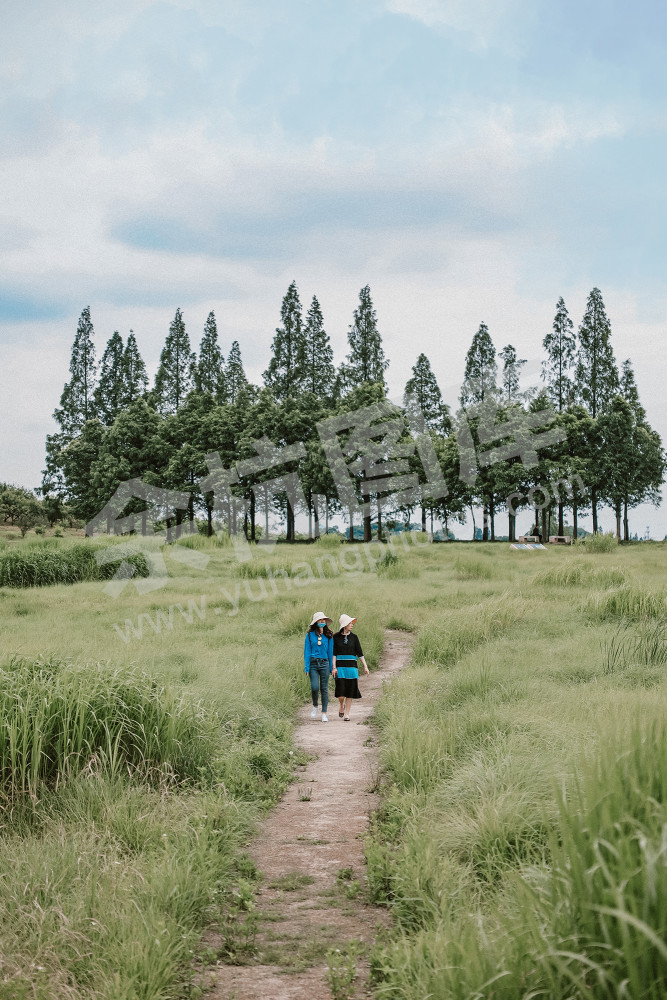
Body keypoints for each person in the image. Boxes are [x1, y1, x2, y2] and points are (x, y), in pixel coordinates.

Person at [333, 613, 369, 721]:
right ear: (344, 625)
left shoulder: (354, 637)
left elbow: (360, 653)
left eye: (352, 623)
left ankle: (347, 714)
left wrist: (365, 666)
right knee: (340, 693)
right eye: (349, 623)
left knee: (350, 691)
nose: (352, 625)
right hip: (340, 667)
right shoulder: (336, 637)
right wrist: (334, 667)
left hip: (352, 668)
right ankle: (341, 705)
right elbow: (333, 654)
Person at [304, 611, 334, 722]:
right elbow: (307, 651)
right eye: (320, 620)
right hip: (313, 664)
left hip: (325, 663)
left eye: (323, 620)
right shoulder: (309, 635)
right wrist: (307, 666)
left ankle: (324, 713)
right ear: (316, 622)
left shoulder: (329, 635)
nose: (322, 621)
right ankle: (315, 706)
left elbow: (330, 652)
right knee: (315, 687)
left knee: (324, 688)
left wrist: (331, 668)